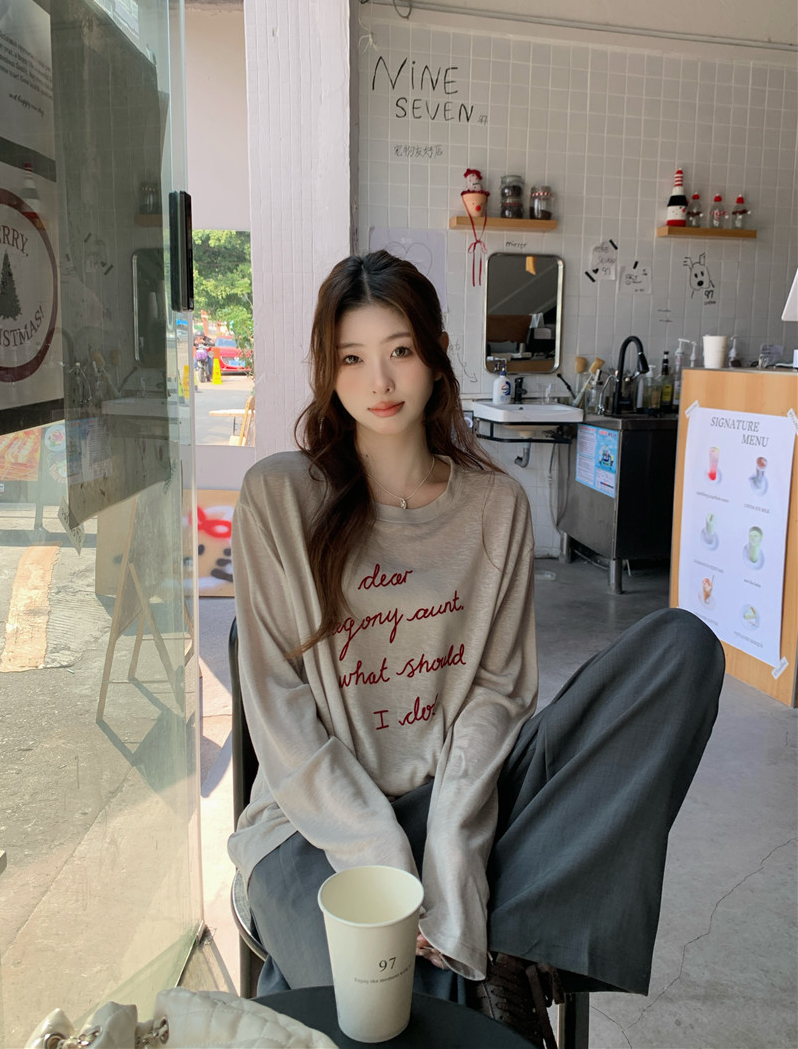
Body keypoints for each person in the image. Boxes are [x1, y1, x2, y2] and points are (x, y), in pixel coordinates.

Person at [229, 251, 724, 1046]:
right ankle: (505, 953)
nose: (379, 380)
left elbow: (497, 694)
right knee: (389, 1015)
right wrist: (385, 857)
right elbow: (278, 708)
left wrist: (453, 853)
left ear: (435, 355)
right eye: (351, 358)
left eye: (399, 350)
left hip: (462, 794)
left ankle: (488, 944)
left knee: (681, 649)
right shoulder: (280, 496)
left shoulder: (496, 505)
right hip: (310, 825)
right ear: (327, 370)